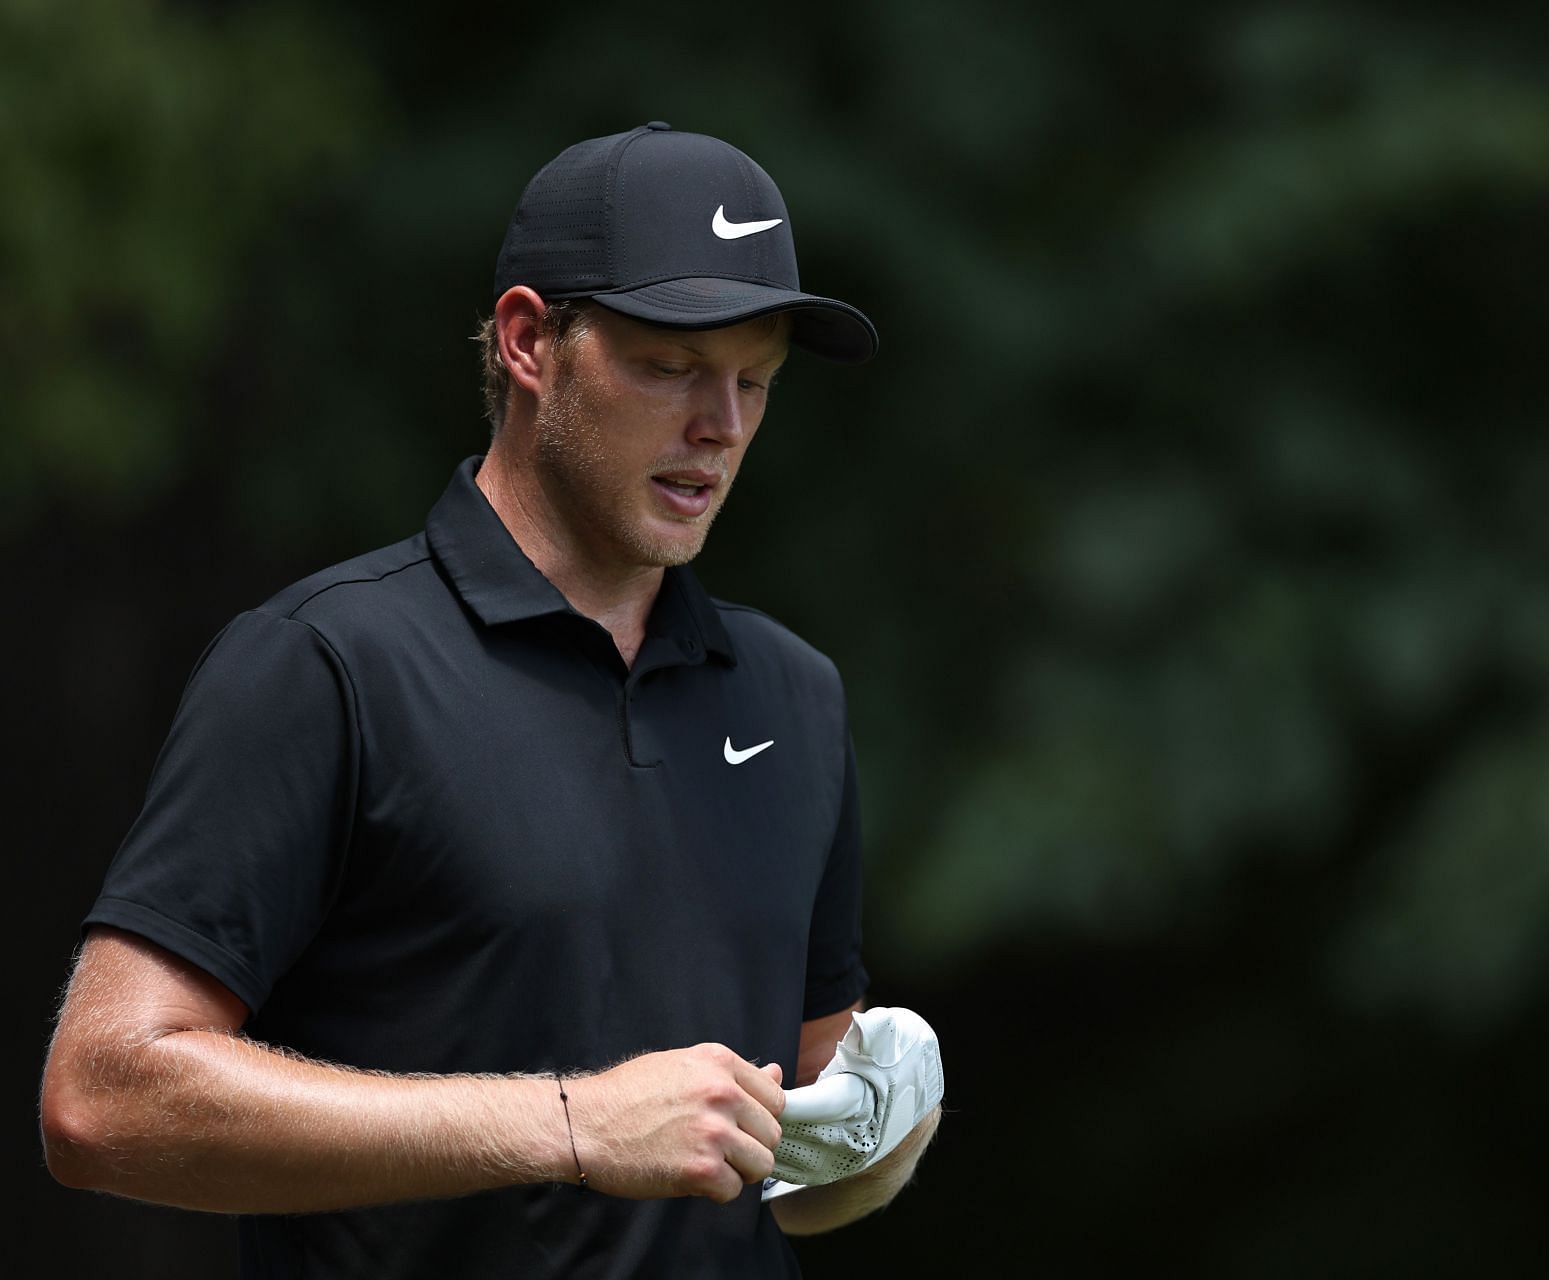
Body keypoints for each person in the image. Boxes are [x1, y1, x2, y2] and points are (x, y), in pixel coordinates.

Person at [39, 121, 940, 1278]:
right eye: (671, 363)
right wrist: (569, 1123)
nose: (719, 424)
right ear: (528, 342)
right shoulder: (325, 664)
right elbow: (103, 1098)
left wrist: (875, 1131)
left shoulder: (792, 695)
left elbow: (778, 1174)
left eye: (753, 378)